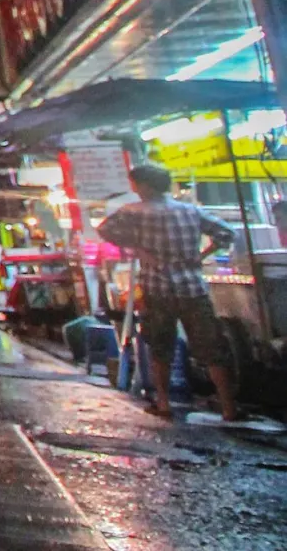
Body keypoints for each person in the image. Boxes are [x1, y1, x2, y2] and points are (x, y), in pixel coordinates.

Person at [96, 162, 242, 421]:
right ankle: (229, 408)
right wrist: (202, 254)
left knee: (161, 346)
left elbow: (104, 229)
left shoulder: (134, 212)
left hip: (157, 287)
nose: (136, 189)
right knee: (212, 348)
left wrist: (136, 248)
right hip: (192, 287)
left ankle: (163, 404)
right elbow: (226, 232)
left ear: (146, 186)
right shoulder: (190, 210)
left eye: (137, 184)